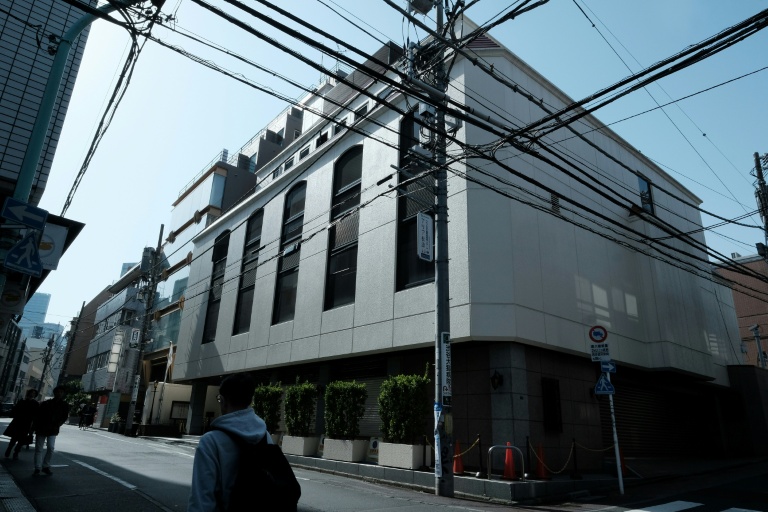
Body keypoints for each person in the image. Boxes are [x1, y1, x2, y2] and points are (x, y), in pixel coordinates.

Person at [188, 373, 272, 512]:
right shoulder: (265, 436)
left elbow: (202, 499)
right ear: (250, 400)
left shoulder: (211, 442)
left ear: (222, 400)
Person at [32, 386, 70, 475]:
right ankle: (37, 467)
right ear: (54, 393)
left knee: (51, 448)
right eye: (58, 392)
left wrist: (58, 424)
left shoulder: (64, 405)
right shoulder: (46, 403)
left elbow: (64, 416)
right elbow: (38, 416)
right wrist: (34, 427)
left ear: (63, 394)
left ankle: (45, 466)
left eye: (61, 392)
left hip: (53, 429)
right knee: (38, 448)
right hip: (42, 428)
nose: (59, 393)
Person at [3, 389, 39, 460]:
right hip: (18, 422)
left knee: (21, 440)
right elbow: (15, 410)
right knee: (14, 438)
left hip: (27, 424)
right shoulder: (22, 401)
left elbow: (36, 415)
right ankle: (9, 449)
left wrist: (33, 426)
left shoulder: (35, 404)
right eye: (31, 393)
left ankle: (16, 452)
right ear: (29, 393)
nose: (32, 394)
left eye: (34, 393)